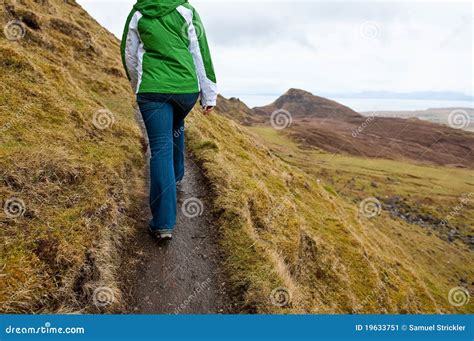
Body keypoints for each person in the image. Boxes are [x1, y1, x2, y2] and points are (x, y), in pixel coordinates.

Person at [121, 0, 216, 241]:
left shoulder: (138, 12)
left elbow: (129, 53)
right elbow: (199, 50)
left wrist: (138, 84)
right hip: (185, 90)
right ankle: (176, 176)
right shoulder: (186, 11)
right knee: (176, 125)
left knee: (160, 148)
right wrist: (209, 94)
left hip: (152, 91)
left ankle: (163, 223)